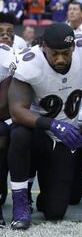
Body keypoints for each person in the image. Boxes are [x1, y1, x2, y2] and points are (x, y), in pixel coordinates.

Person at [7, 23, 82, 230]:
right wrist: (53, 124)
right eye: (55, 54)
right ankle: (20, 203)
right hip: (39, 133)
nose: (61, 59)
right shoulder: (30, 62)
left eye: (66, 53)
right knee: (19, 134)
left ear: (74, 49)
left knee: (55, 212)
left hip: (64, 140)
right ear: (44, 48)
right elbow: (17, 112)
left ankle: (45, 195)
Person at [0, 12, 18, 228]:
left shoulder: (20, 54)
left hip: (15, 118)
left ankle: (24, 195)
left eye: (9, 33)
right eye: (1, 32)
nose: (5, 36)